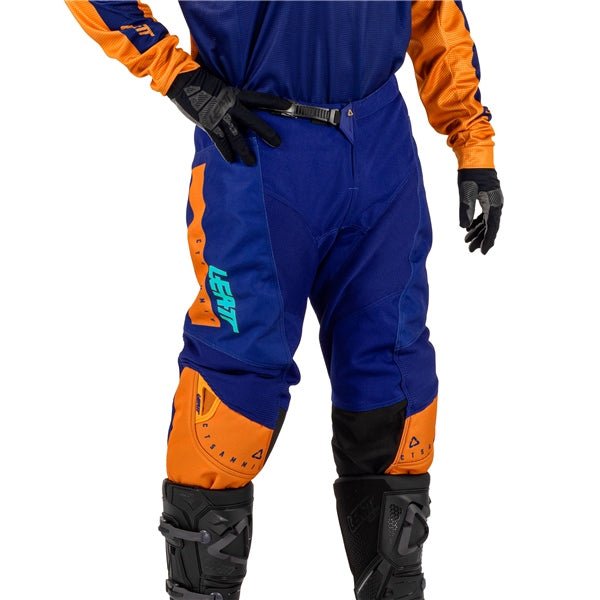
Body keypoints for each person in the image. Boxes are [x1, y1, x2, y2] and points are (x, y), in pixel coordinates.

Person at [65, 2, 504, 599]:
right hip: (257, 147)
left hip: (380, 145)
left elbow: (434, 13)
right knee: (237, 383)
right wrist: (176, 74)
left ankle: (395, 587)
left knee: (394, 373)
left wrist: (471, 142)